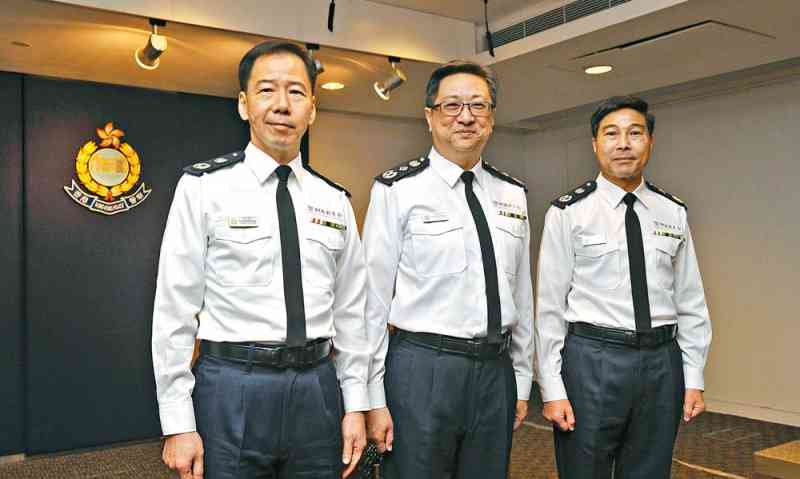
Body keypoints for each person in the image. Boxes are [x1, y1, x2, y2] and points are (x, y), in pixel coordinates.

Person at [152, 41, 368, 479]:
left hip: (317, 388)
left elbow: (352, 313)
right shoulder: (203, 187)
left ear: (312, 107)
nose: (282, 105)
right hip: (232, 385)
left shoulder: (335, 200)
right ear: (243, 104)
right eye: (267, 90)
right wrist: (177, 423)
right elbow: (174, 311)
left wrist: (356, 404)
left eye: (296, 92)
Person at [362, 60, 534, 479]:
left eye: (479, 105)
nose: (466, 116)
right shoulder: (397, 191)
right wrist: (370, 395)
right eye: (452, 105)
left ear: (492, 117)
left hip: (495, 372)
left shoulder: (512, 194)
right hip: (423, 368)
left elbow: (522, 295)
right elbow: (370, 301)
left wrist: (522, 377)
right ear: (430, 116)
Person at [535, 95, 713, 478]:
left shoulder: (672, 211)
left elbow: (690, 301)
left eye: (635, 133)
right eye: (611, 134)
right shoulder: (568, 212)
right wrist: (551, 386)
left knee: (650, 470)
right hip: (592, 360)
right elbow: (549, 309)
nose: (623, 143)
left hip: (661, 362)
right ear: (595, 144)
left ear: (650, 142)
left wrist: (693, 376)